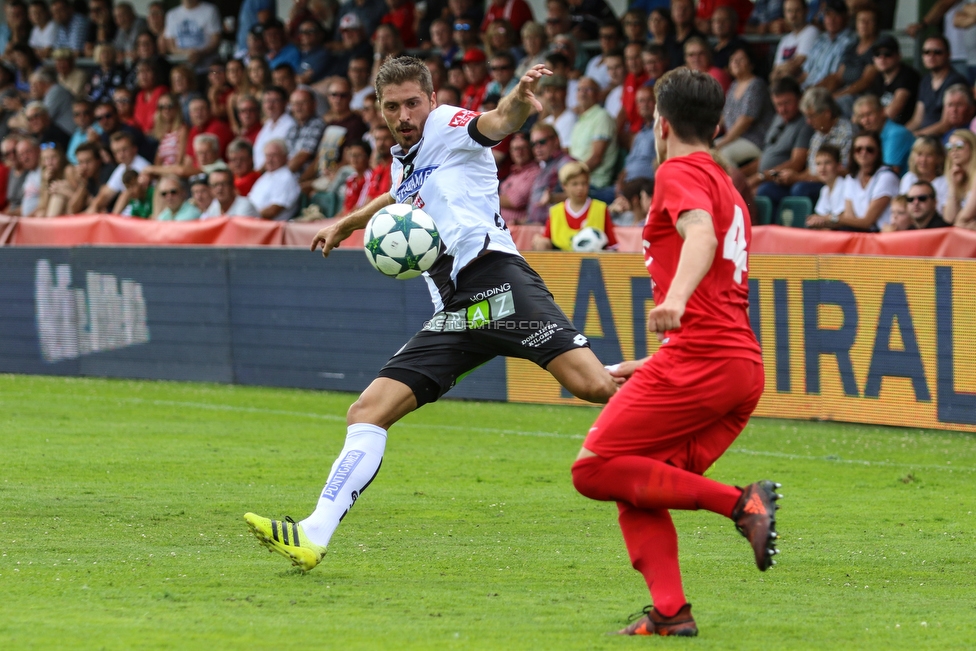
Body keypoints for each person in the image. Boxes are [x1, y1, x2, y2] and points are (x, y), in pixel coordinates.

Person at [243, 56, 618, 572]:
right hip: (457, 312)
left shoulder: (447, 126)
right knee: (367, 411)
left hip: (498, 282)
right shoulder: (405, 160)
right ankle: (311, 534)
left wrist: (517, 102)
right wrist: (347, 224)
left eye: (412, 103)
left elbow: (494, 124)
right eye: (392, 106)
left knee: (595, 387)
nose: (403, 114)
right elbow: (395, 195)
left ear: (432, 100)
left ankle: (671, 380)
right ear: (379, 108)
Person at [571, 67, 774, 639]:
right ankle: (670, 612)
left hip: (703, 358)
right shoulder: (726, 182)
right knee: (636, 481)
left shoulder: (677, 171)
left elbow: (701, 236)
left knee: (592, 471)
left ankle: (742, 503)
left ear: (661, 124)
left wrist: (675, 302)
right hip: (736, 366)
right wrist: (651, 361)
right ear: (717, 126)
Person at [758, 86, 852, 209]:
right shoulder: (818, 135)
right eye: (806, 116)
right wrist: (791, 176)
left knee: (800, 189)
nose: (808, 122)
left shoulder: (846, 132)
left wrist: (798, 178)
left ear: (827, 113)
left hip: (832, 186)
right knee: (767, 189)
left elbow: (842, 172)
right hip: (809, 180)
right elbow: (811, 168)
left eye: (812, 116)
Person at [809, 131, 898, 231]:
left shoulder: (886, 177)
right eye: (858, 149)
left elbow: (867, 222)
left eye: (869, 149)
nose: (863, 153)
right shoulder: (851, 178)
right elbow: (849, 218)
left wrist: (830, 218)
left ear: (878, 151)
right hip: (860, 233)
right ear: (853, 153)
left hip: (881, 233)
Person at [533, 160, 616, 250]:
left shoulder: (601, 208)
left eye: (584, 183)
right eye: (575, 184)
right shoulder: (555, 211)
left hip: (591, 262)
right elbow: (546, 241)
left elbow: (612, 246)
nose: (580, 188)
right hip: (561, 262)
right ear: (564, 186)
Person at [746, 76, 813, 186]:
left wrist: (762, 177)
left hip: (779, 182)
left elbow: (796, 163)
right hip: (764, 178)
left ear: (800, 99)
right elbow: (765, 158)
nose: (782, 110)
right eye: (778, 104)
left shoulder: (805, 123)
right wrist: (741, 173)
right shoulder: (778, 118)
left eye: (787, 103)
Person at [715, 46, 773, 167]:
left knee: (723, 154)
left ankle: (734, 185)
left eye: (740, 59)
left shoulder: (756, 85)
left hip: (755, 140)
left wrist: (724, 141)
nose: (736, 63)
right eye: (733, 60)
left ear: (751, 64)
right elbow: (724, 116)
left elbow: (746, 120)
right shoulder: (734, 85)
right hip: (735, 138)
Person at [905, 36, 969, 136]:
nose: (931, 56)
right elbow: (917, 120)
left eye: (937, 52)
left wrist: (917, 135)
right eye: (926, 52)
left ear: (948, 55)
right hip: (923, 137)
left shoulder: (956, 81)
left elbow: (946, 124)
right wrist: (901, 134)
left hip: (943, 138)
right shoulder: (925, 81)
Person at [569, 77, 618, 200]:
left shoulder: (601, 116)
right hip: (578, 180)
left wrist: (571, 176)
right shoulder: (580, 120)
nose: (583, 92)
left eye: (588, 89)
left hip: (594, 184)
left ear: (598, 95)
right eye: (580, 89)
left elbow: (596, 158)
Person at [88, 131, 150, 212]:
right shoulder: (122, 167)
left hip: (140, 215)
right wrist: (95, 207)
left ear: (134, 149)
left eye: (124, 149)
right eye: (117, 151)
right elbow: (105, 195)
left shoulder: (143, 167)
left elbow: (128, 194)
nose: (121, 154)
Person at [851, 94, 914, 175]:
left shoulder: (896, 134)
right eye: (861, 117)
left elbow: (890, 172)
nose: (866, 120)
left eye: (869, 114)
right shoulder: (873, 136)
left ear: (882, 112)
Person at [798, 0, 854, 89]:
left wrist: (810, 92)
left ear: (846, 17)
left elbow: (836, 79)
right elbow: (805, 74)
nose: (831, 19)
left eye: (836, 14)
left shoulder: (850, 41)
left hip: (825, 93)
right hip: (806, 90)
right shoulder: (820, 39)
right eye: (828, 14)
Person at [869, 35, 920, 126]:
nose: (882, 58)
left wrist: (870, 121)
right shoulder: (878, 77)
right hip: (884, 126)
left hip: (902, 128)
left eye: (887, 54)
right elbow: (870, 104)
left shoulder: (907, 75)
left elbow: (894, 110)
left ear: (898, 56)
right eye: (877, 54)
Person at [527, 122, 572, 224]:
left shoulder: (566, 163)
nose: (537, 147)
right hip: (538, 228)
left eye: (542, 142)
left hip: (556, 230)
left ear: (556, 141)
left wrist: (553, 198)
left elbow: (579, 194)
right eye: (533, 144)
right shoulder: (545, 165)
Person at [248, 139, 301, 219]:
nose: (269, 160)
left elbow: (273, 211)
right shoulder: (266, 176)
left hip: (267, 227)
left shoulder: (286, 178)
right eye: (267, 156)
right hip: (252, 221)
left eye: (274, 155)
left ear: (285, 157)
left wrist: (248, 216)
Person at [769, 0, 819, 82]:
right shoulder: (785, 39)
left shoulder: (811, 31)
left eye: (797, 10)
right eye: (789, 11)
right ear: (784, 14)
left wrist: (779, 71)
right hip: (783, 86)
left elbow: (797, 65)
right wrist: (779, 72)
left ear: (806, 11)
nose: (793, 15)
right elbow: (774, 72)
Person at [161, 0, 221, 68]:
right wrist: (187, 54)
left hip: (207, 67)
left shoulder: (210, 10)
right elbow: (171, 46)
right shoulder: (171, 15)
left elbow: (216, 41)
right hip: (183, 69)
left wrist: (199, 54)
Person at [899, 136, 949, 214]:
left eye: (929, 155)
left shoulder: (945, 182)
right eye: (919, 154)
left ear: (938, 158)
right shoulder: (908, 178)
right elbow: (902, 208)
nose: (923, 160)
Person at [498, 132, 539, 224]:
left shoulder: (534, 172)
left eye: (523, 148)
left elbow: (515, 201)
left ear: (531, 149)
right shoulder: (514, 173)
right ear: (511, 152)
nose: (519, 152)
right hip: (506, 229)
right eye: (515, 149)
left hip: (521, 230)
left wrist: (487, 197)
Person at [253, 86, 295, 169]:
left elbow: (277, 156)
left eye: (274, 101)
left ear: (285, 103)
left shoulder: (291, 124)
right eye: (266, 101)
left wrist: (257, 175)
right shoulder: (267, 124)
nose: (269, 106)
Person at [66, 141, 114, 214]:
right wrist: (83, 184)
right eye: (81, 162)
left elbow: (98, 205)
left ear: (98, 161)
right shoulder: (89, 178)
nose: (84, 167)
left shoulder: (108, 171)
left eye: (88, 161)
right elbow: (73, 209)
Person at [805, 143, 845, 226]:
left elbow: (842, 221)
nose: (822, 168)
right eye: (818, 164)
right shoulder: (824, 190)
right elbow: (820, 216)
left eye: (827, 163)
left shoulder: (845, 186)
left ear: (839, 166)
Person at [33, 141, 76, 216]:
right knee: (40, 214)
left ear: (61, 157)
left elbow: (80, 199)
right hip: (56, 213)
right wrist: (46, 183)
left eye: (53, 157)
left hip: (72, 209)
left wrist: (63, 191)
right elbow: (43, 206)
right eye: (46, 159)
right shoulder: (44, 174)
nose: (50, 162)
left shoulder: (68, 170)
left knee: (57, 197)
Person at [943, 128, 976, 224]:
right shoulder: (955, 177)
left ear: (972, 147)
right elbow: (949, 218)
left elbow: (964, 217)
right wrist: (953, 186)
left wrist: (958, 227)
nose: (953, 150)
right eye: (949, 146)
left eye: (959, 145)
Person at [15, 136, 42, 215]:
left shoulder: (46, 171)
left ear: (38, 150)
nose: (25, 158)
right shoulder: (30, 174)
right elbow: (25, 206)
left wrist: (26, 220)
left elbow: (46, 203)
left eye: (28, 152)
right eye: (21, 155)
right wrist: (9, 214)